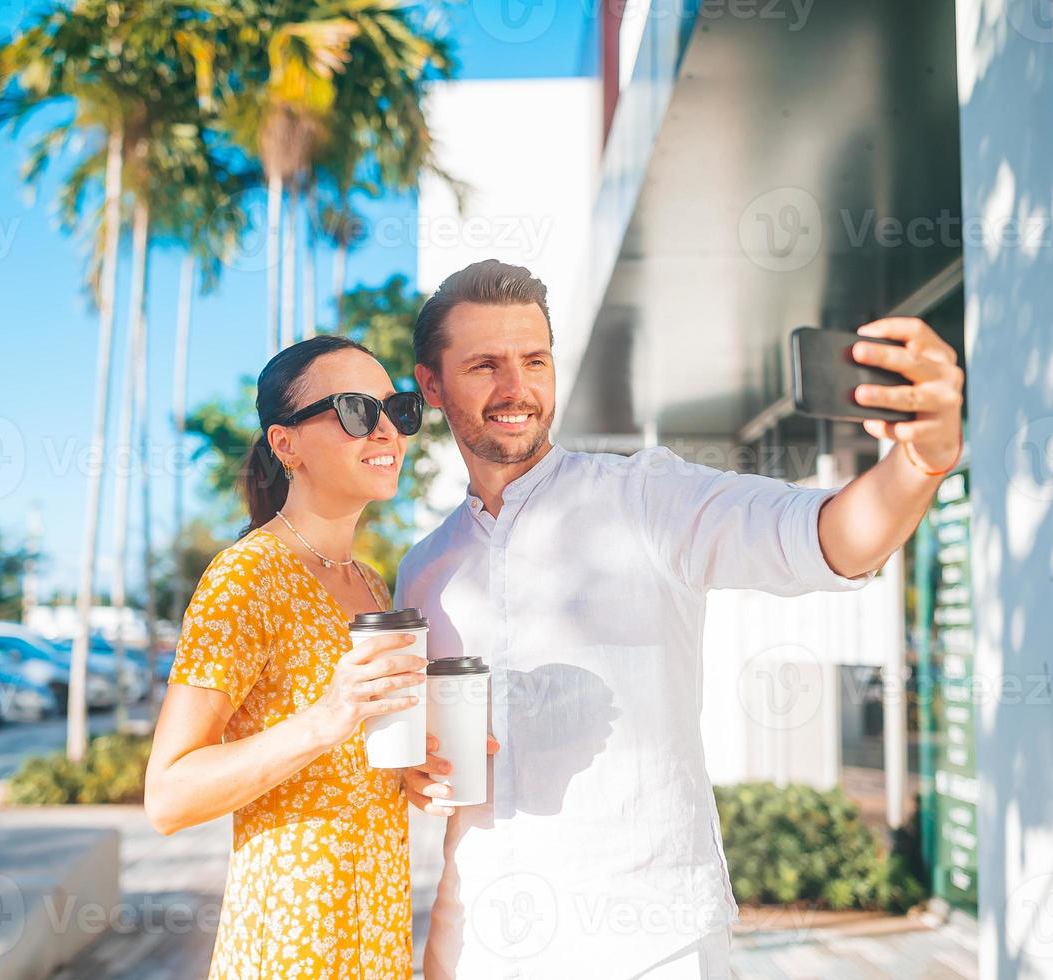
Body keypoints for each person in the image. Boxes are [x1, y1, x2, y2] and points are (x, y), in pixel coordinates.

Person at [396, 260, 965, 980]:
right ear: (432, 385)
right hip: (478, 944)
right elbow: (425, 752)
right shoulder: (423, 570)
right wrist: (419, 768)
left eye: (534, 360)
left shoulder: (649, 498)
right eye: (485, 365)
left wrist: (920, 460)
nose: (517, 389)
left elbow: (826, 537)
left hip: (650, 947)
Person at [144, 335, 432, 978]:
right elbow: (167, 796)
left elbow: (342, 765)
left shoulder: (370, 582)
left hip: (377, 943)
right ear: (286, 444)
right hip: (289, 950)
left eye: (400, 409)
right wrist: (325, 719)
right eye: (358, 410)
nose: (387, 429)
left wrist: (407, 772)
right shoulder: (245, 578)